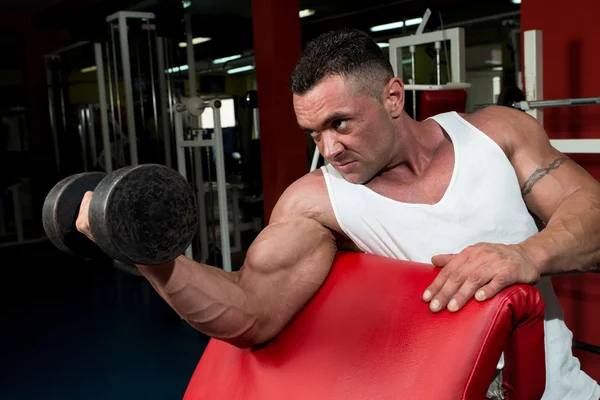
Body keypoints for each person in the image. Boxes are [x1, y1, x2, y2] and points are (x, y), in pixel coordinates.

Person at [76, 29, 600, 399]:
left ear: (393, 96)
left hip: (560, 388)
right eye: (314, 133)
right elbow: (250, 314)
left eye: (341, 124)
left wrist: (527, 254)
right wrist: (148, 252)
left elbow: (591, 213)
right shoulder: (318, 201)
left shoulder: (497, 133)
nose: (328, 148)